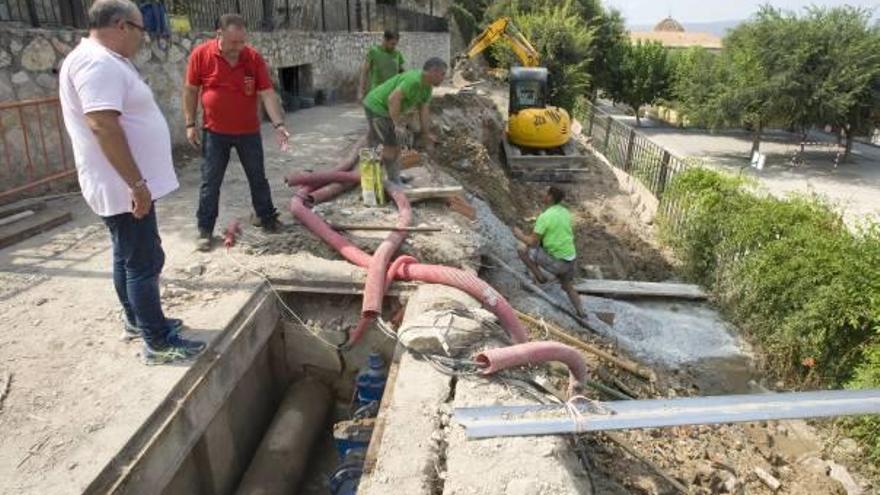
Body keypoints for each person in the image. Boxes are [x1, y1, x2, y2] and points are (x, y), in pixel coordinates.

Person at [59, 0, 205, 365]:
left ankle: (138, 321)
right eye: (142, 30)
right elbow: (102, 125)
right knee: (144, 260)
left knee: (127, 256)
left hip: (122, 183)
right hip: (124, 185)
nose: (144, 38)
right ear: (122, 25)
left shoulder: (102, 59)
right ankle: (156, 342)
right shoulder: (96, 62)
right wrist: (137, 184)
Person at [183, 13, 290, 252]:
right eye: (234, 42)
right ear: (218, 34)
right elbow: (190, 91)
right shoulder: (201, 55)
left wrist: (278, 124)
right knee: (210, 182)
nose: (239, 47)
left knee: (257, 177)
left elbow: (267, 93)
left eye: (242, 41)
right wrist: (190, 124)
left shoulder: (252, 58)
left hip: (248, 132)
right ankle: (205, 230)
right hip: (215, 132)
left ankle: (266, 218)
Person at [362, 57, 447, 184]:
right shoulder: (414, 80)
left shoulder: (427, 88)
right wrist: (396, 125)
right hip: (377, 106)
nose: (444, 78)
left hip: (385, 109)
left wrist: (426, 133)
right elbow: (393, 99)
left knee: (393, 145)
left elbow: (424, 111)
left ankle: (392, 177)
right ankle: (390, 180)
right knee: (391, 147)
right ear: (433, 71)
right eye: (442, 74)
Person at [513, 186, 585, 318]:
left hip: (558, 263)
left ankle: (540, 277)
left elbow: (532, 242)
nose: (541, 193)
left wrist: (519, 234)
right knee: (567, 285)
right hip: (570, 259)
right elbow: (556, 233)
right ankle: (581, 312)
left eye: (544, 192)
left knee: (522, 247)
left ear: (550, 197)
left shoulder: (545, 217)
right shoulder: (565, 212)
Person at [357, 30, 405, 101]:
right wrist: (361, 91)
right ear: (385, 40)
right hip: (376, 93)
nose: (394, 46)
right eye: (392, 44)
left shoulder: (397, 54)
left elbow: (402, 73)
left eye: (395, 44)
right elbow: (364, 72)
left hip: (391, 94)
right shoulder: (374, 51)